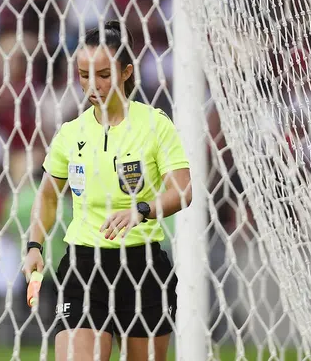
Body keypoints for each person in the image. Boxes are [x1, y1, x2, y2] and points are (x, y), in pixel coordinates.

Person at [23, 20, 192, 361]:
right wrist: (34, 244)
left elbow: (183, 189)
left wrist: (140, 210)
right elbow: (48, 194)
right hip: (84, 266)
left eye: (103, 74)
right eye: (84, 75)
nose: (93, 85)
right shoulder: (71, 132)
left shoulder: (155, 125)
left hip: (142, 266)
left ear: (127, 71)